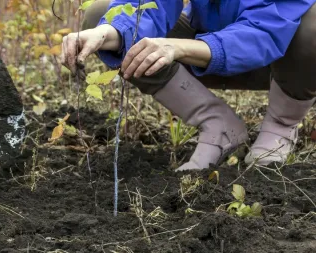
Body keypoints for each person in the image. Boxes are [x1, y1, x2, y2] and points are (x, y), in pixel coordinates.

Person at [60, 0, 316, 171]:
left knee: (313, 25)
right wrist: (108, 33)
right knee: (101, 17)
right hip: (205, 49)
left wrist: (180, 48)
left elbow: (265, 31)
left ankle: (281, 126)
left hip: (278, 59)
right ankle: (217, 122)